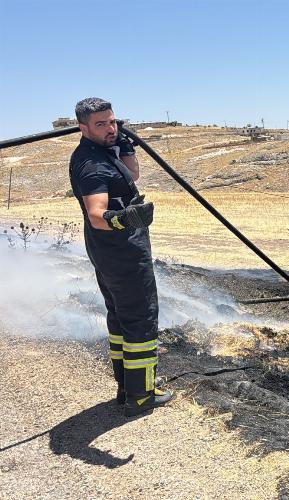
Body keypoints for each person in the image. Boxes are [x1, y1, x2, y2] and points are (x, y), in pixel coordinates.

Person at [68, 97, 173, 417]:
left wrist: (126, 145)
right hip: (121, 250)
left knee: (120, 316)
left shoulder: (104, 151)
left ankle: (126, 387)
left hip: (113, 249)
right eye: (101, 124)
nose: (110, 128)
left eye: (112, 121)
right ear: (83, 128)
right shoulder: (91, 165)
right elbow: (97, 213)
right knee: (140, 317)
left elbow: (133, 175)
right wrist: (125, 219)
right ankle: (141, 397)